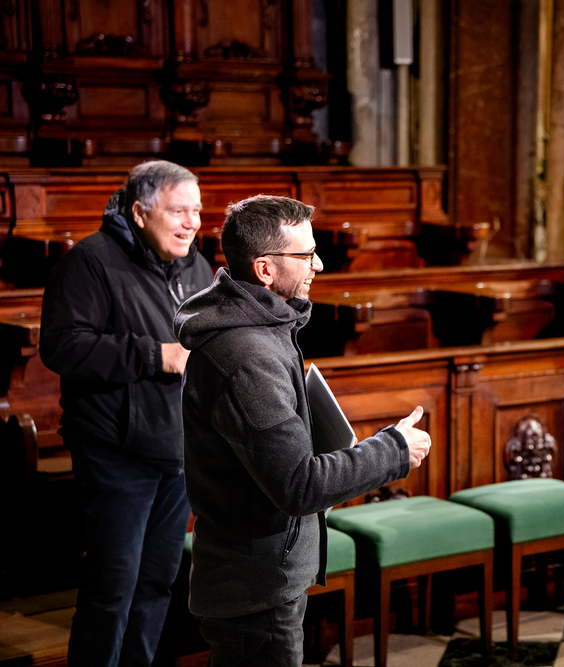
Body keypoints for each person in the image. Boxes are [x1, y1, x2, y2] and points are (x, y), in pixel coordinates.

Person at [174, 195, 431, 667]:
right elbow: (299, 484)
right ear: (265, 270)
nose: (319, 263)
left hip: (261, 578)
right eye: (306, 254)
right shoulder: (247, 356)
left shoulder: (262, 328)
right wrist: (394, 450)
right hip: (256, 589)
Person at [39, 160, 213, 666]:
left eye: (197, 211)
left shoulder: (196, 267)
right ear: (140, 213)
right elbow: (63, 346)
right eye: (178, 211)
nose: (191, 222)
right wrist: (155, 355)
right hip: (116, 452)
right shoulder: (90, 261)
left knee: (157, 582)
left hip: (177, 449)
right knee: (112, 587)